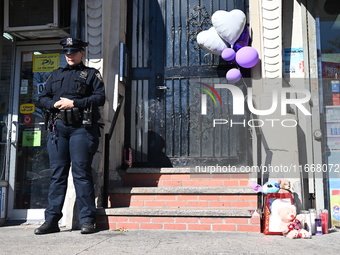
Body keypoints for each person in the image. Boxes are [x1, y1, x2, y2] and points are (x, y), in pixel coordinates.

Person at [34, 37, 105, 235]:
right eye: (67, 52)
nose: (69, 55)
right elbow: (42, 98)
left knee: (81, 174)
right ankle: (51, 221)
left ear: (82, 52)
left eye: (73, 51)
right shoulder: (55, 74)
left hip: (82, 128)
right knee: (57, 175)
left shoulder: (91, 74)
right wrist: (54, 104)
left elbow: (100, 98)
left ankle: (87, 220)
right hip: (59, 129)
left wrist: (74, 103)